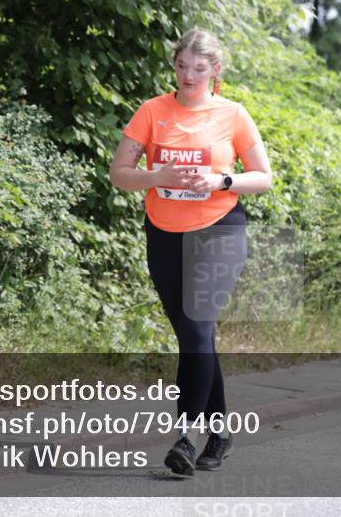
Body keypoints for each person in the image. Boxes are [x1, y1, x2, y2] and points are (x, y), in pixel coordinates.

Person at [108, 28, 273, 477]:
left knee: (199, 326)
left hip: (220, 230)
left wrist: (222, 181)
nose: (188, 75)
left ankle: (185, 435)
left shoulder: (234, 115)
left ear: (215, 71)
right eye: (181, 66)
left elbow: (263, 178)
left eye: (199, 69)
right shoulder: (152, 111)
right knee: (194, 337)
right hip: (163, 233)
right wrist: (157, 175)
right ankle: (220, 432)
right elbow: (119, 174)